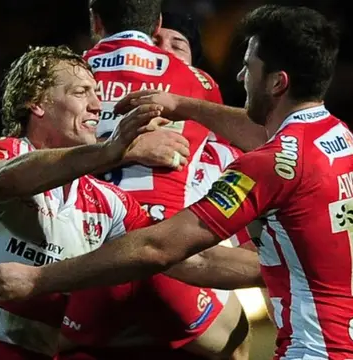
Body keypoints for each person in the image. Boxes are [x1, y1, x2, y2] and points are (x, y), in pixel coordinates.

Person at [0, 5, 353, 360]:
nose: (239, 79)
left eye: (248, 68)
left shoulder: (266, 166)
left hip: (315, 350)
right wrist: (182, 104)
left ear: (276, 82)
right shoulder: (340, 139)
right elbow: (267, 139)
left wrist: (38, 280)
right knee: (236, 343)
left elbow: (164, 250)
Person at [0, 45, 259, 360]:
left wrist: (281, 267)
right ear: (36, 103)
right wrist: (109, 152)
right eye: (80, 92)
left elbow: (180, 257)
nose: (96, 106)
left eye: (96, 93)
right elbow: (6, 179)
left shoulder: (105, 203)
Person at [55, 2, 253, 358]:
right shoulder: (198, 83)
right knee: (239, 340)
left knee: (31, 342)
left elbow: (28, 162)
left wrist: (111, 149)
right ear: (155, 24)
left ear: (95, 21)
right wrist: (127, 148)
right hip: (169, 267)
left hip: (90, 265)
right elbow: (241, 151)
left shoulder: (64, 78)